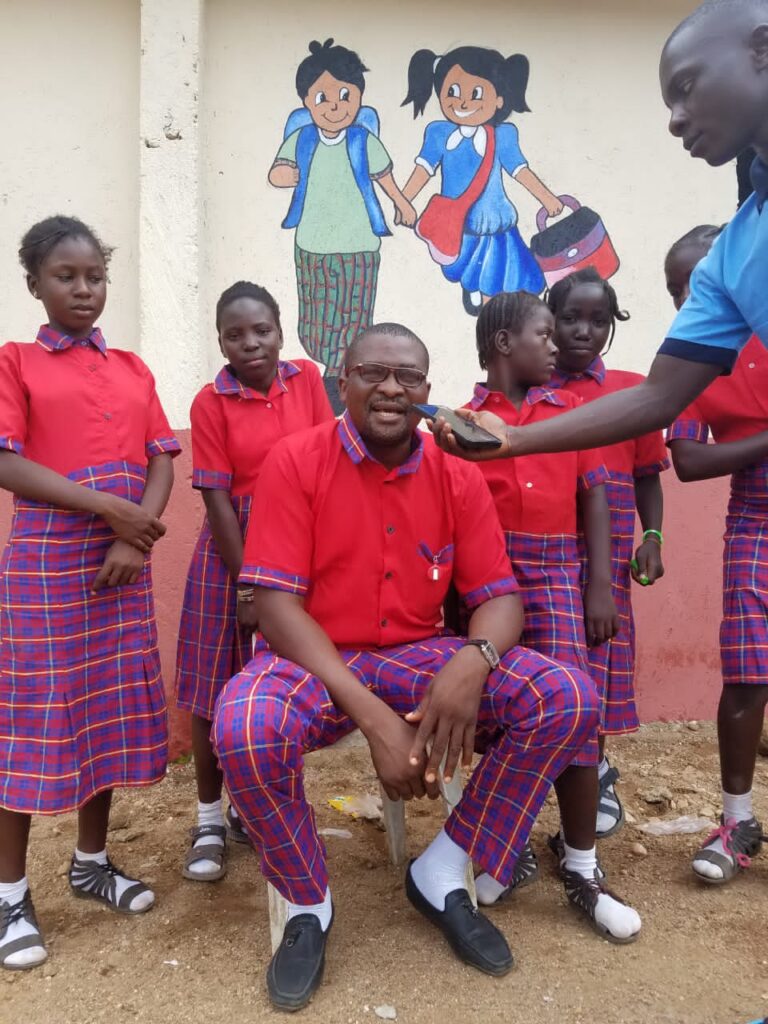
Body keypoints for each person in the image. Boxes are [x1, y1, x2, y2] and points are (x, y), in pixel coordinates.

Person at [212, 323, 599, 1011]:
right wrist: (379, 724)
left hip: (419, 651)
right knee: (243, 725)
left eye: (409, 377)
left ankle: (442, 870)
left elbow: (500, 598)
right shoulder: (295, 460)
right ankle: (308, 903)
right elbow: (274, 605)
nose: (391, 387)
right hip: (314, 655)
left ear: (426, 391)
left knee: (565, 695)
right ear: (343, 380)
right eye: (373, 372)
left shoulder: (455, 472)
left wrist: (474, 660)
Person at [429, 0, 768, 462]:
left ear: (762, 48)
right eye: (669, 104)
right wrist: (513, 438)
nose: (675, 120)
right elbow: (659, 397)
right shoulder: (732, 256)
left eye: (687, 87)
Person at [0, 216, 180, 971]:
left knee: (104, 708)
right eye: (64, 277)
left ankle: (90, 861)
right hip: (46, 565)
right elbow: (5, 463)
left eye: (94, 276)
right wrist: (110, 511)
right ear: (34, 284)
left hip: (119, 565)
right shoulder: (14, 361)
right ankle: (9, 894)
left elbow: (162, 459)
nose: (82, 289)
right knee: (35, 714)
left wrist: (131, 539)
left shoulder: (135, 367)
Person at [465, 292, 641, 944]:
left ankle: (583, 867)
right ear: (505, 343)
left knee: (577, 712)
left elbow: (596, 498)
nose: (556, 344)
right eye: (544, 333)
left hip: (562, 575)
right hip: (492, 580)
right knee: (497, 717)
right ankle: (500, 849)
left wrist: (601, 584)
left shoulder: (569, 413)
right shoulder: (467, 420)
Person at [175, 282, 334, 882]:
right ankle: (210, 818)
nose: (250, 344)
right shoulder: (209, 402)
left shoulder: (310, 381)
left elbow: (329, 464)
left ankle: (258, 811)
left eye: (260, 331)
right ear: (221, 341)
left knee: (273, 684)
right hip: (232, 551)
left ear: (280, 330)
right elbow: (216, 498)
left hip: (298, 542)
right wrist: (246, 586)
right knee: (210, 685)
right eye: (235, 335)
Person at [547, 268, 668, 836]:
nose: (583, 331)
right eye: (570, 317)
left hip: (610, 557)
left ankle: (594, 772)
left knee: (596, 661)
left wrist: (652, 536)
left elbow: (648, 475)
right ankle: (543, 775)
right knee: (549, 663)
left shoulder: (631, 390)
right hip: (545, 550)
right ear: (548, 320)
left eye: (598, 321)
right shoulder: (535, 386)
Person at [666, 224, 768, 883]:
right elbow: (690, 458)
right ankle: (737, 823)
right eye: (680, 292)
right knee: (748, 672)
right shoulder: (690, 369)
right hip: (756, 516)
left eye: (700, 283)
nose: (691, 301)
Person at [269, 38, 416, 411]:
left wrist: (401, 203)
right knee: (316, 320)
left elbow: (384, 178)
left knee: (353, 316)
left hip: (360, 246)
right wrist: (286, 174)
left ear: (359, 98)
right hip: (312, 245)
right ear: (306, 102)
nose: (334, 106)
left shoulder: (364, 141)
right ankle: (330, 365)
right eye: (322, 98)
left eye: (345, 96)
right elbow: (278, 173)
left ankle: (336, 379)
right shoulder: (301, 139)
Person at [400, 45, 563, 315]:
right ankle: (474, 289)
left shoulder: (503, 135)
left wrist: (547, 198)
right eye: (452, 92)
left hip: (494, 223)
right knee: (465, 267)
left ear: (499, 100)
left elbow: (520, 170)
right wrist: (403, 201)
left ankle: (490, 312)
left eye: (475, 94)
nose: (462, 102)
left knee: (500, 278)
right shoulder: (438, 133)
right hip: (457, 227)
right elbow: (423, 169)